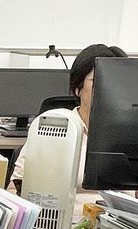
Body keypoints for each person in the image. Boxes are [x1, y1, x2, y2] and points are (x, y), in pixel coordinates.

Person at [10, 44, 128, 212]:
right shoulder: (53, 129)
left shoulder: (133, 134)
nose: (109, 88)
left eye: (117, 81)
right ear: (78, 87)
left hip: (124, 226)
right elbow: (15, 190)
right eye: (99, 80)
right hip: (68, 225)